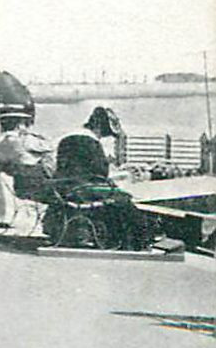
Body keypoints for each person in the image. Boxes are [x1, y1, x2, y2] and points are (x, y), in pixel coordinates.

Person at [42, 106, 154, 249]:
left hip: (67, 186)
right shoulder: (90, 142)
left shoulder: (68, 138)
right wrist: (122, 173)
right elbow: (101, 172)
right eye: (104, 133)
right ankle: (135, 242)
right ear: (99, 128)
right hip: (81, 188)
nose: (102, 136)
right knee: (124, 199)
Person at [0, 106, 50, 228]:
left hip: (1, 174)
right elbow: (49, 147)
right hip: (20, 177)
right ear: (19, 124)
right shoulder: (23, 140)